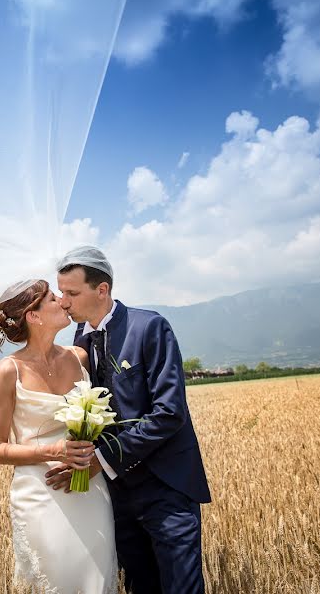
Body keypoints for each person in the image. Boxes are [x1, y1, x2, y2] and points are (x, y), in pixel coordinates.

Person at [47, 246, 211, 594]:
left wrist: (102, 460)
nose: (63, 301)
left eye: (72, 293)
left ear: (101, 289)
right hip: (116, 496)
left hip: (166, 488)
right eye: (61, 293)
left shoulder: (149, 327)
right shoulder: (80, 339)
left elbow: (169, 413)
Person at [0, 278, 119, 593]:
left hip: (90, 490)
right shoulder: (9, 371)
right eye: (51, 298)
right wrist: (55, 450)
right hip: (41, 494)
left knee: (96, 580)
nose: (62, 299)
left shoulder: (79, 356)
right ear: (33, 316)